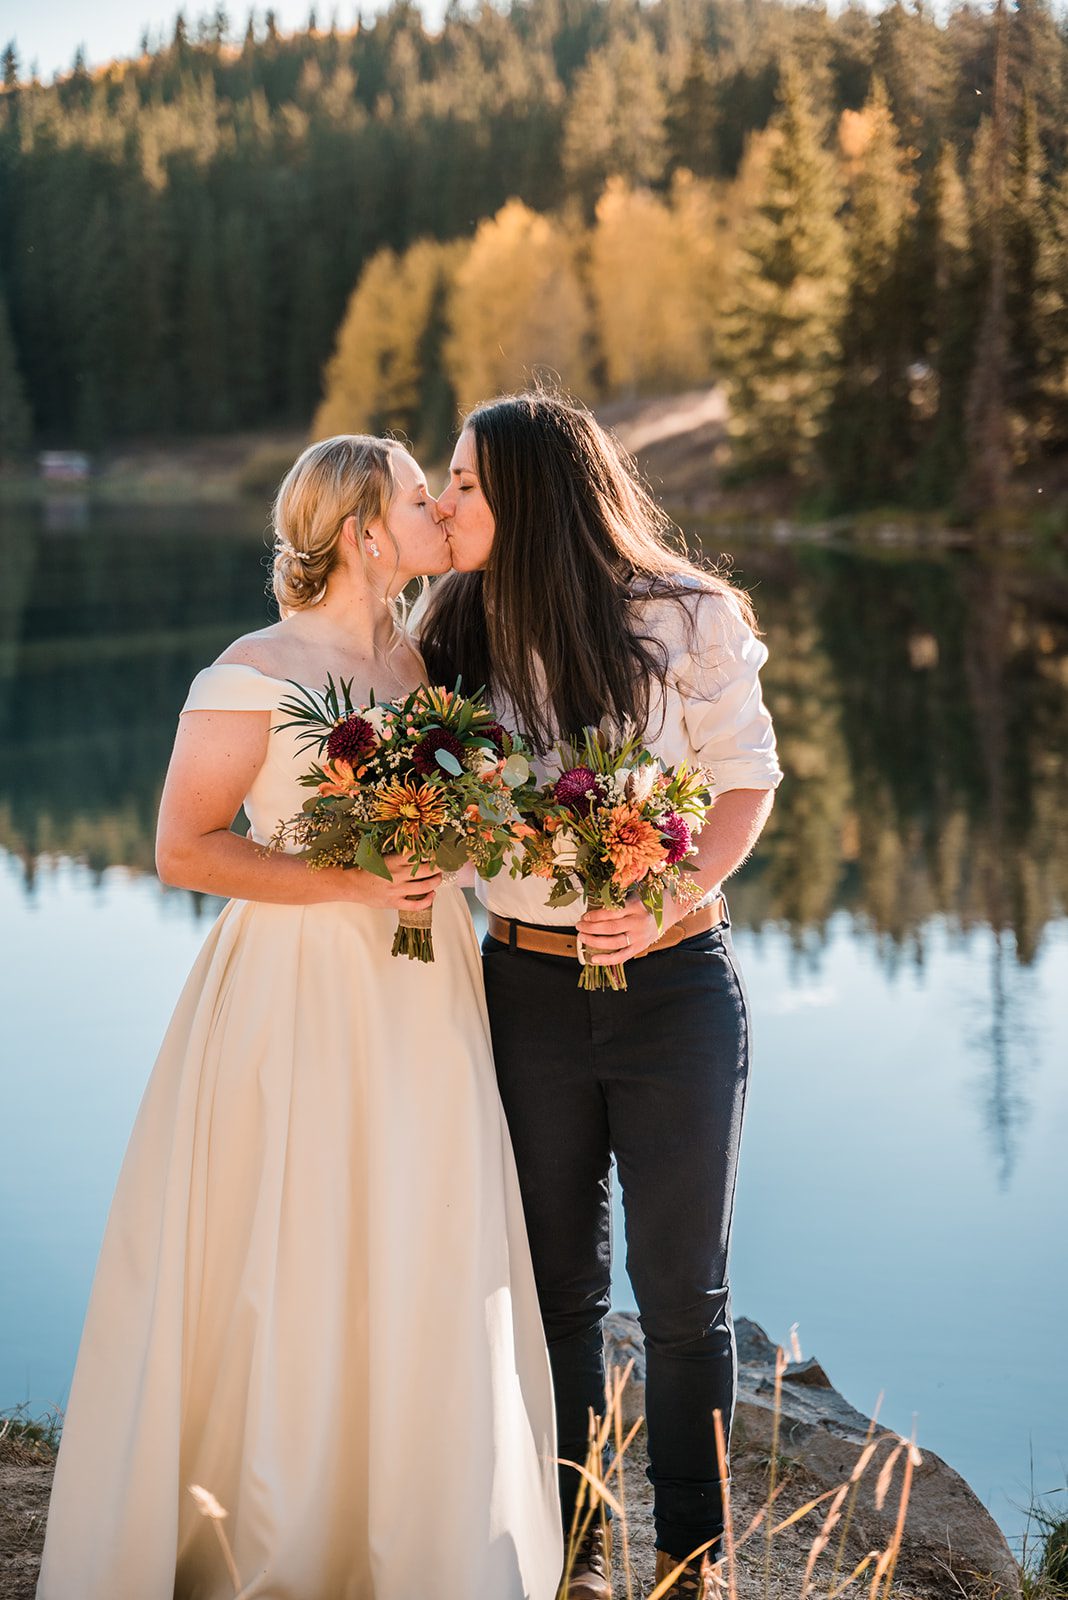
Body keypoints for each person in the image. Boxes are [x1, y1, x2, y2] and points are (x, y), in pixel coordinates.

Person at [36, 435, 562, 1600]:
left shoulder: (420, 671)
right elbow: (182, 849)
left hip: (424, 999)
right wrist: (360, 883)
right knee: (296, 1231)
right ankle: (261, 1540)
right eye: (423, 496)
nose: (440, 511)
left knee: (415, 1226)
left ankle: (414, 1532)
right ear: (368, 529)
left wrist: (476, 845)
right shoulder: (251, 671)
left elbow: (456, 835)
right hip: (297, 999)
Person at [420, 393, 783, 1600]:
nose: (444, 499)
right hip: (519, 987)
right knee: (555, 1289)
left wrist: (674, 893)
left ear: (528, 493)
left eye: (465, 482)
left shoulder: (685, 615)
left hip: (678, 988)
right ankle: (571, 1557)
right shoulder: (449, 628)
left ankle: (694, 1565)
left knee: (685, 1294)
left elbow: (745, 784)